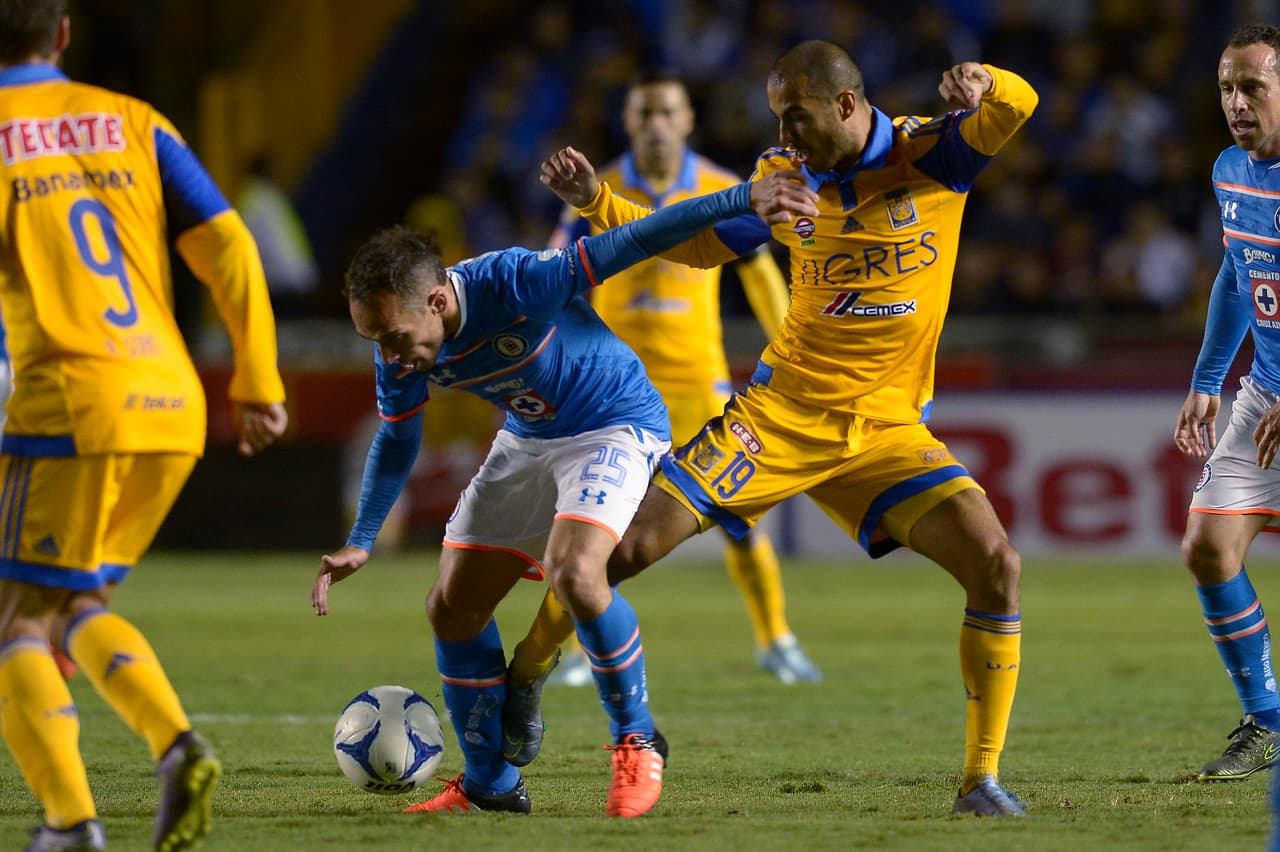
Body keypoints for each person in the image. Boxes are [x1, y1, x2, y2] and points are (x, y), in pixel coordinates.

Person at [526, 40, 1038, 816]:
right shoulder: (783, 176)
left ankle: (981, 781)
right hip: (781, 417)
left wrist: (985, 78)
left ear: (844, 103)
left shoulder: (933, 154)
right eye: (776, 118)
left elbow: (1019, 106)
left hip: (886, 431)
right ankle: (526, 676)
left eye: (794, 115)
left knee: (996, 564)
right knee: (621, 551)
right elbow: (698, 244)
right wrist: (600, 201)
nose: (783, 134)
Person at [309, 169, 816, 818]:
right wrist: (360, 540)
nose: (389, 356)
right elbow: (399, 437)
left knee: (575, 573)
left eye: (393, 337)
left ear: (436, 301)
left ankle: (638, 740)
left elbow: (639, 238)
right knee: (450, 607)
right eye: (374, 341)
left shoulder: (516, 281)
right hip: (529, 436)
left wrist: (742, 197)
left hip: (614, 423)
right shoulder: (402, 349)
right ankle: (490, 785)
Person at [0, 2, 290, 851]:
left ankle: (70, 823)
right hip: (170, 401)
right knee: (76, 601)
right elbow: (230, 246)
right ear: (62, 34)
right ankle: (176, 747)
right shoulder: (136, 121)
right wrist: (257, 378)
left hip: (70, 403)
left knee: (16, 620)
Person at [511, 70, 821, 697]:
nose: (656, 124)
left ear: (687, 121)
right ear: (628, 122)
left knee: (739, 518)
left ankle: (777, 639)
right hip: (610, 388)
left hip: (697, 381)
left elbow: (759, 272)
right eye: (644, 112)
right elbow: (553, 273)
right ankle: (576, 649)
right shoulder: (594, 188)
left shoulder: (722, 186)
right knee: (588, 525)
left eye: (667, 112)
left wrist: (795, 345)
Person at [1174, 23, 1280, 784]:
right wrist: (1208, 379)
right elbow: (1238, 273)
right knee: (1209, 548)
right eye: (1226, 88)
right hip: (1265, 393)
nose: (1237, 103)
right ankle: (1267, 722)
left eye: (1253, 87)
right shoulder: (1230, 170)